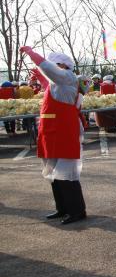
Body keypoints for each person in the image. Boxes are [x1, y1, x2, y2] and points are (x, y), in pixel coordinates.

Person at [19, 47, 88, 224]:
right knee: (53, 175)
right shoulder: (58, 82)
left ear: (62, 66)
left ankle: (77, 211)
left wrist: (33, 55)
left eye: (54, 65)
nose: (50, 68)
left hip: (63, 132)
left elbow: (50, 72)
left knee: (66, 175)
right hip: (51, 133)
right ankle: (62, 208)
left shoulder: (68, 77)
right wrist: (40, 76)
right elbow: (50, 82)